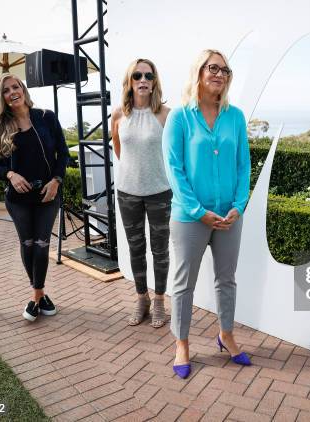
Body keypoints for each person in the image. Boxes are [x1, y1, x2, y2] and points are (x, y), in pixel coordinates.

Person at [162, 49, 251, 379]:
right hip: (189, 218)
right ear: (198, 71)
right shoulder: (180, 117)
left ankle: (225, 334)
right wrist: (198, 211)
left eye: (225, 70)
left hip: (229, 217)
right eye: (213, 68)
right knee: (184, 283)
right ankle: (182, 342)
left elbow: (244, 166)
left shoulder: (236, 116)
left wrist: (238, 206)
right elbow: (174, 168)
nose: (220, 74)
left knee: (226, 279)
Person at [0, 73, 69, 322]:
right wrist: (11, 174)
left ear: (23, 89)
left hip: (47, 194)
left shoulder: (46, 117)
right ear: (0, 97)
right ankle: (40, 295)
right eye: (6, 90)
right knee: (28, 244)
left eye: (16, 86)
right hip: (18, 199)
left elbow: (63, 154)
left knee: (42, 244)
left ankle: (36, 298)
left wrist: (56, 181)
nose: (13, 92)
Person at [111, 59, 172, 328]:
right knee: (136, 249)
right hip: (128, 193)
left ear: (155, 80)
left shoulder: (166, 115)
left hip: (160, 192)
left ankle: (159, 300)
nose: (143, 79)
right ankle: (141, 299)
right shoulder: (118, 115)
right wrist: (135, 173)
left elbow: (173, 154)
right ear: (130, 80)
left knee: (160, 250)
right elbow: (119, 150)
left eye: (148, 75)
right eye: (137, 75)